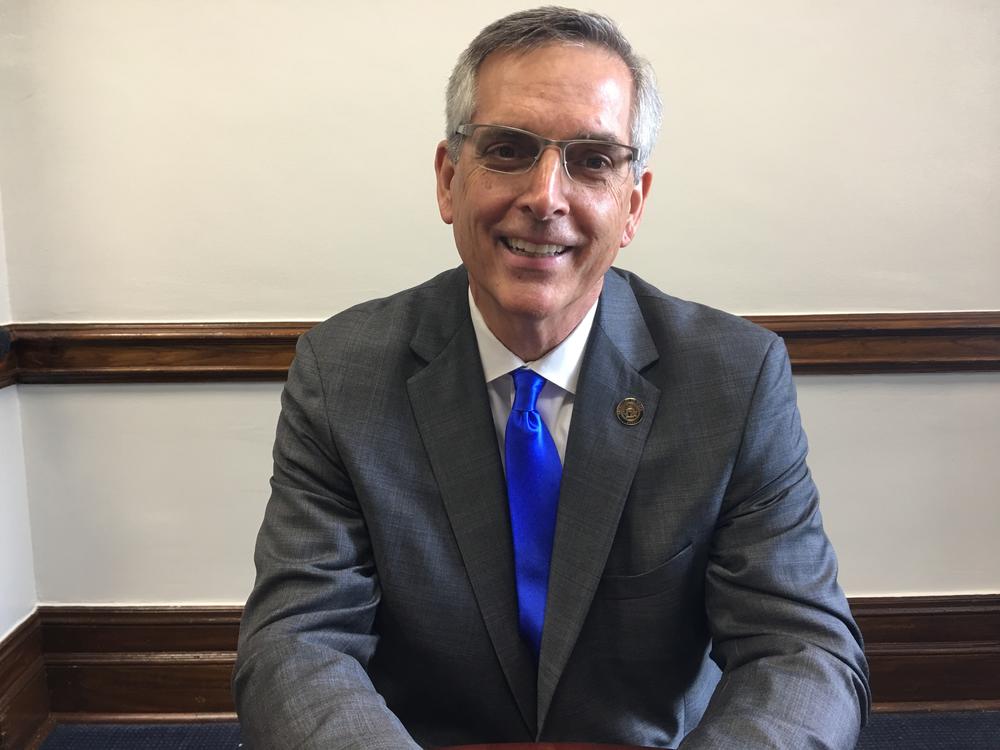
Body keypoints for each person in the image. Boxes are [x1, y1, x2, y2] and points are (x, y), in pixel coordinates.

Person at [233, 7, 870, 749]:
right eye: (508, 150)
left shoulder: (733, 379)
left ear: (632, 205)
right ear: (449, 180)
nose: (545, 197)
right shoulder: (342, 373)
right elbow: (297, 643)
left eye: (593, 160)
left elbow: (803, 652)